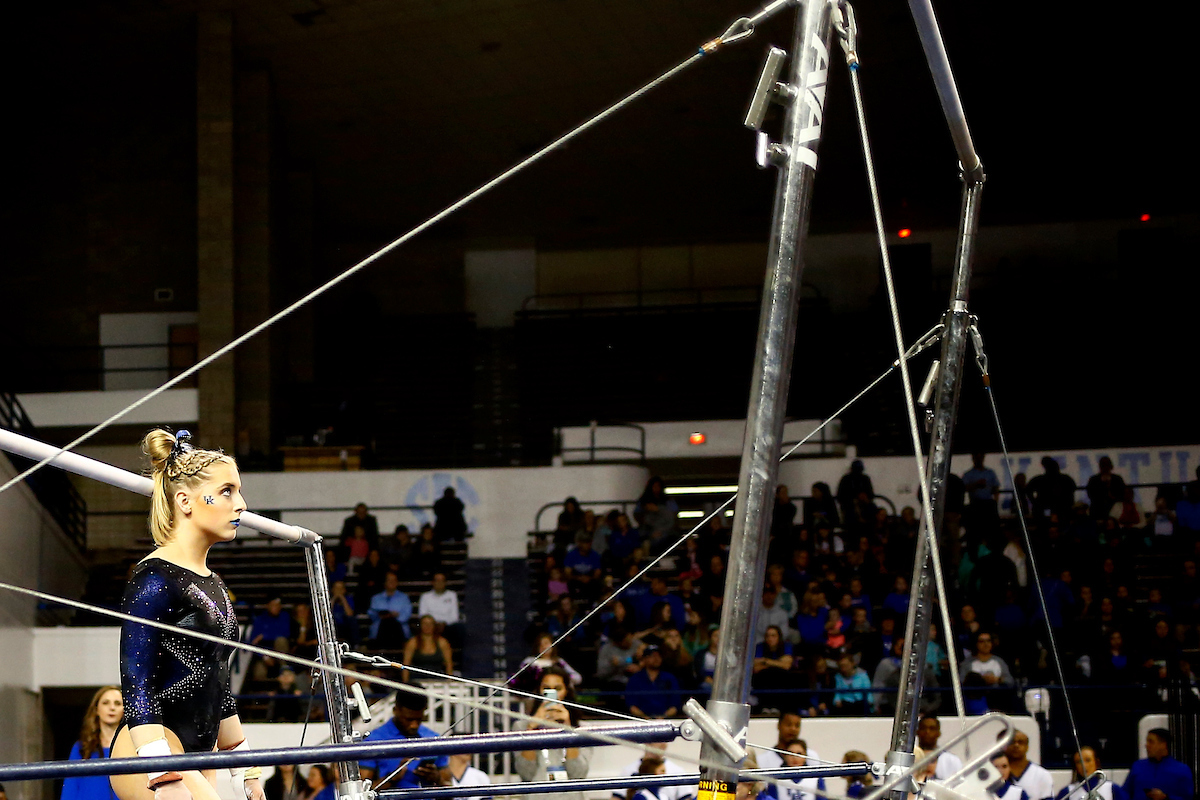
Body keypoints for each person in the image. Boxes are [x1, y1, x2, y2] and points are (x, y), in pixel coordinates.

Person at [109, 429, 265, 800]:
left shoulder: (214, 582)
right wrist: (162, 772)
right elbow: (137, 682)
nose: (241, 504)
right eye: (227, 491)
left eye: (238, 491)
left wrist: (245, 766)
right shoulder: (153, 579)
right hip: (153, 744)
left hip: (200, 750)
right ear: (185, 500)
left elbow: (217, 676)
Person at [359, 686, 449, 789]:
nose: (414, 725)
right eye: (409, 720)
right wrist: (392, 778)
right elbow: (362, 792)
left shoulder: (434, 739)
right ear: (395, 710)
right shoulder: (373, 741)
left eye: (419, 719)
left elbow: (450, 789)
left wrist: (437, 779)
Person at [515, 687, 591, 800]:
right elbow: (526, 773)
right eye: (546, 689)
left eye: (557, 689)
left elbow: (578, 774)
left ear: (567, 692)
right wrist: (531, 728)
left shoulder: (583, 729)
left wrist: (568, 728)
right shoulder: (521, 727)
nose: (552, 695)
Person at [62, 686, 123, 800]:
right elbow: (70, 786)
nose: (112, 708)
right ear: (96, 709)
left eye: (117, 703)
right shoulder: (82, 747)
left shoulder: (132, 747)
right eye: (105, 703)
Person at [1124, 728, 1195, 800]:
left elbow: (1188, 797)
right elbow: (1125, 793)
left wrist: (1166, 797)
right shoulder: (1137, 766)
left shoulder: (1181, 770)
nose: (1146, 745)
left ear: (1163, 744)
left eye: (1151, 742)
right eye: (1147, 741)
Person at [625, 645, 681, 719]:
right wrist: (646, 718)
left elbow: (674, 705)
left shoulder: (670, 678)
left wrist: (663, 718)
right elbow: (632, 705)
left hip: (665, 721)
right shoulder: (635, 679)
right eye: (652, 656)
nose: (656, 659)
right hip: (641, 721)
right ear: (644, 659)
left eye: (659, 656)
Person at [1056, 746, 1128, 800]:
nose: (1084, 765)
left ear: (1096, 762)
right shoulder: (1068, 792)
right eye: (1079, 762)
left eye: (1088, 760)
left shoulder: (1112, 788)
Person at [756, 712, 820, 768]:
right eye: (789, 724)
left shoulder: (811, 757)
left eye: (797, 725)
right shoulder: (763, 759)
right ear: (779, 725)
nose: (793, 729)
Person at [1003, 730, 1054, 800]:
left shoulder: (1042, 774)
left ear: (1027, 747)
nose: (1016, 745)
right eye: (1012, 742)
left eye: (1020, 742)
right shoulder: (994, 772)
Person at [418, 572, 463, 649]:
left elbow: (454, 617)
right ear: (432, 582)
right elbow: (422, 615)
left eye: (442, 580)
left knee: (458, 628)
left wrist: (443, 623)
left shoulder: (452, 595)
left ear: (445, 582)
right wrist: (434, 624)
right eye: (437, 580)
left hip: (447, 626)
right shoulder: (425, 596)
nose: (439, 583)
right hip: (430, 626)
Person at [402, 614, 454, 679]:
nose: (427, 626)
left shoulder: (442, 642)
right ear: (420, 625)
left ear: (434, 626)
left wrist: (449, 681)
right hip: (417, 679)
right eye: (425, 623)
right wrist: (405, 683)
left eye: (430, 624)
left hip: (437, 679)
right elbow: (406, 664)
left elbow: (449, 664)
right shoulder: (412, 642)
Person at [369, 572, 413, 646]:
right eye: (389, 580)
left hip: (399, 630)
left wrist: (396, 615)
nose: (392, 582)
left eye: (394, 580)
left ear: (397, 582)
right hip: (380, 629)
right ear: (385, 582)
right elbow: (372, 615)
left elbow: (406, 615)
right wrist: (380, 615)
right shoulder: (376, 598)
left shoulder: (404, 598)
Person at [916, 716, 962, 780]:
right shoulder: (909, 758)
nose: (927, 731)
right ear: (917, 732)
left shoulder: (952, 760)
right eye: (923, 728)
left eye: (932, 728)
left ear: (938, 733)